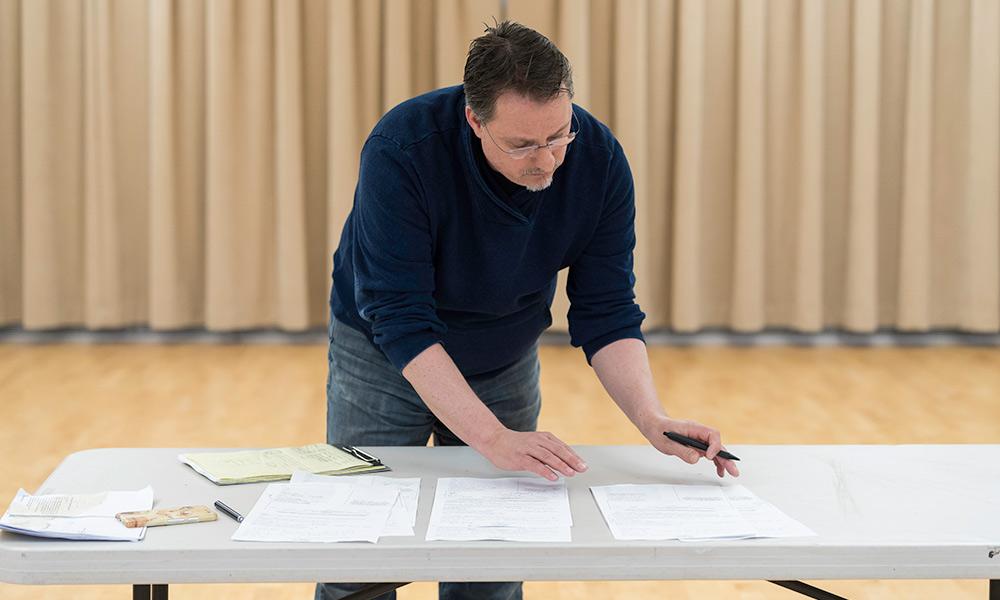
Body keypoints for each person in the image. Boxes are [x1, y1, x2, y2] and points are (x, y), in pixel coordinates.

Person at [318, 19, 739, 600]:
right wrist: (491, 438)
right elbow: (400, 316)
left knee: (493, 555)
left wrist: (650, 418)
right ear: (474, 120)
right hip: (384, 358)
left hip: (503, 351)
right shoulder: (402, 149)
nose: (546, 162)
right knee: (357, 551)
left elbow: (607, 309)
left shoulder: (598, 160)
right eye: (521, 144)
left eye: (557, 136)